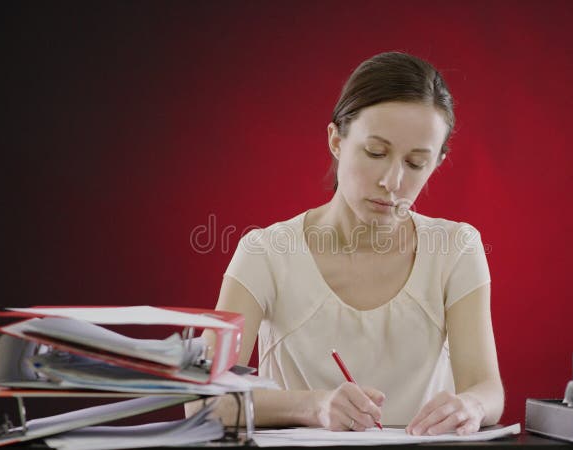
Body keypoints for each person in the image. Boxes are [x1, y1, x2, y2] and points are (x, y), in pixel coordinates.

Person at [185, 51, 503, 436]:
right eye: (375, 152)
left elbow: (487, 389)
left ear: (438, 161)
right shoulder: (265, 253)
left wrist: (471, 405)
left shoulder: (456, 248)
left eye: (417, 163)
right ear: (336, 139)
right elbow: (200, 401)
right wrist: (313, 406)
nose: (392, 181)